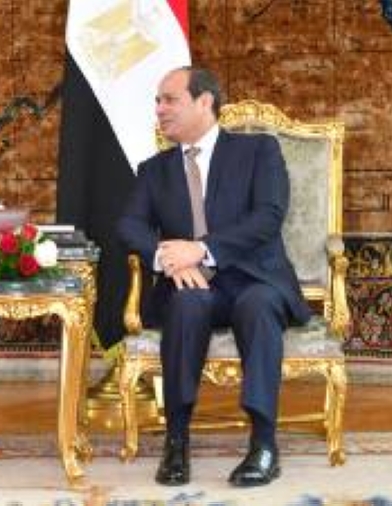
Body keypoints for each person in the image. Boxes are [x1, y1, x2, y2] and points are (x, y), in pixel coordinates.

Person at [117, 66, 312, 488]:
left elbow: (268, 216)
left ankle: (263, 444)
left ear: (204, 102)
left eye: (170, 99)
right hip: (191, 285)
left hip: (254, 279)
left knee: (258, 305)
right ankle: (176, 441)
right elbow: (129, 225)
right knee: (187, 303)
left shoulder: (258, 151)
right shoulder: (154, 170)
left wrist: (201, 250)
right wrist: (168, 258)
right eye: (157, 101)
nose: (159, 109)